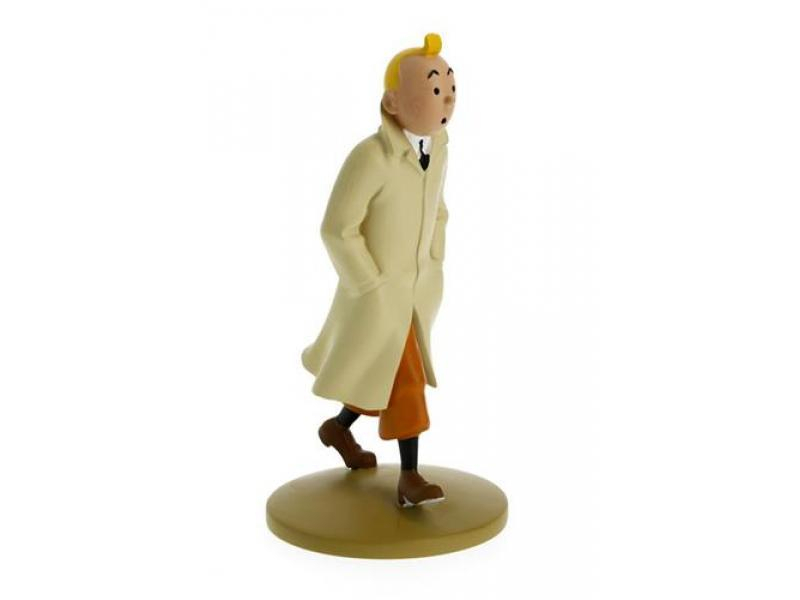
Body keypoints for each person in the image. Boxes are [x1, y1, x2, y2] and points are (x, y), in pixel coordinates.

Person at [302, 33, 455, 507]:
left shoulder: (439, 148)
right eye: (435, 88)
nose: (448, 97)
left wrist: (435, 254)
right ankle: (410, 478)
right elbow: (336, 228)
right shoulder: (371, 157)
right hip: (380, 294)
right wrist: (368, 282)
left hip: (416, 289)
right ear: (392, 102)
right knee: (406, 377)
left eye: (451, 87)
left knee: (381, 370)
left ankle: (338, 428)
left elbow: (437, 207)